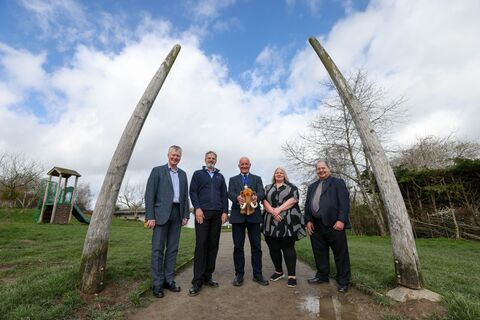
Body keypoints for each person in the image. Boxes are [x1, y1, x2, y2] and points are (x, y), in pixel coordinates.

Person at [145, 145, 190, 298]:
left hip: (177, 214)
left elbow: (185, 196)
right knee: (157, 249)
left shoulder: (183, 174)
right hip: (160, 215)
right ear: (168, 155)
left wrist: (186, 215)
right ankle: (157, 283)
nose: (175, 157)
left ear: (180, 157)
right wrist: (150, 216)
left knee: (172, 249)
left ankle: (168, 280)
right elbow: (149, 194)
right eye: (173, 155)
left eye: (178, 156)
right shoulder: (157, 171)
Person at [304, 160, 351, 293]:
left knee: (340, 254)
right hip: (316, 226)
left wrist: (341, 219)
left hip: (334, 224)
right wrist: (308, 220)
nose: (321, 171)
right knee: (319, 253)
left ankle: (343, 281)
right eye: (318, 169)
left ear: (329, 169)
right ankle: (322, 276)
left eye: (323, 168)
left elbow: (344, 203)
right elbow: (307, 205)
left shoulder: (338, 183)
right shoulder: (312, 186)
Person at [188, 151, 228, 296]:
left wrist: (225, 212)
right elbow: (193, 192)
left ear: (216, 160)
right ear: (205, 160)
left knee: (213, 245)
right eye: (209, 158)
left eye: (213, 158)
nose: (211, 160)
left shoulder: (220, 176)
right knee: (201, 244)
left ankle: (208, 276)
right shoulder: (198, 174)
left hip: (217, 214)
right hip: (202, 214)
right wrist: (197, 208)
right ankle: (197, 280)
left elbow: (224, 194)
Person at [228, 156, 269, 286]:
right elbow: (230, 193)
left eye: (246, 164)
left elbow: (262, 192)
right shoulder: (233, 179)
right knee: (238, 247)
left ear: (250, 165)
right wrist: (237, 198)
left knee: (256, 247)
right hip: (238, 217)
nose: (244, 166)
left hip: (254, 217)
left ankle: (258, 274)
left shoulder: (257, 179)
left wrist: (257, 196)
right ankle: (239, 275)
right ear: (239, 165)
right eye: (242, 164)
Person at [262, 167, 306, 288]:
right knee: (273, 248)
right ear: (274, 175)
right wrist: (272, 212)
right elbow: (264, 200)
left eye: (281, 172)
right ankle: (278, 271)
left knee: (288, 248)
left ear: (285, 175)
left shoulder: (292, 187)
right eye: (277, 172)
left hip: (287, 222)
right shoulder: (267, 188)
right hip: (270, 223)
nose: (279, 174)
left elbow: (293, 200)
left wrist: (278, 210)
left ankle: (292, 275)